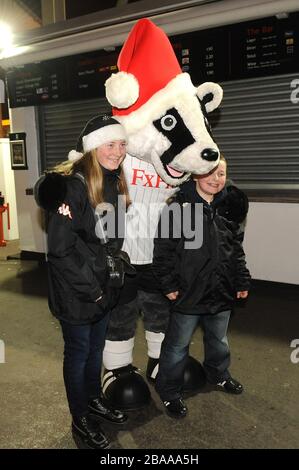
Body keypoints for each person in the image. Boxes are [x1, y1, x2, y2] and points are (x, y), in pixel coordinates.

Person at [35, 115, 130, 448]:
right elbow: (60, 251)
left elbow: (108, 238)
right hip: (78, 293)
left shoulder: (113, 180)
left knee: (95, 351)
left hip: (102, 289)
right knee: (78, 354)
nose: (117, 151)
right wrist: (92, 289)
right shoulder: (72, 187)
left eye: (121, 144)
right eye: (110, 144)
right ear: (92, 148)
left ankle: (93, 399)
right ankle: (80, 419)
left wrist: (112, 276)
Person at [152, 155, 251, 419]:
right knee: (177, 345)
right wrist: (168, 284)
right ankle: (169, 390)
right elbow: (162, 251)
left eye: (221, 174)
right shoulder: (178, 208)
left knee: (219, 339)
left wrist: (241, 279)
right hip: (189, 290)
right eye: (210, 173)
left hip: (222, 288)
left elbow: (235, 249)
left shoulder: (230, 206)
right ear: (196, 174)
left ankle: (218, 374)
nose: (216, 179)